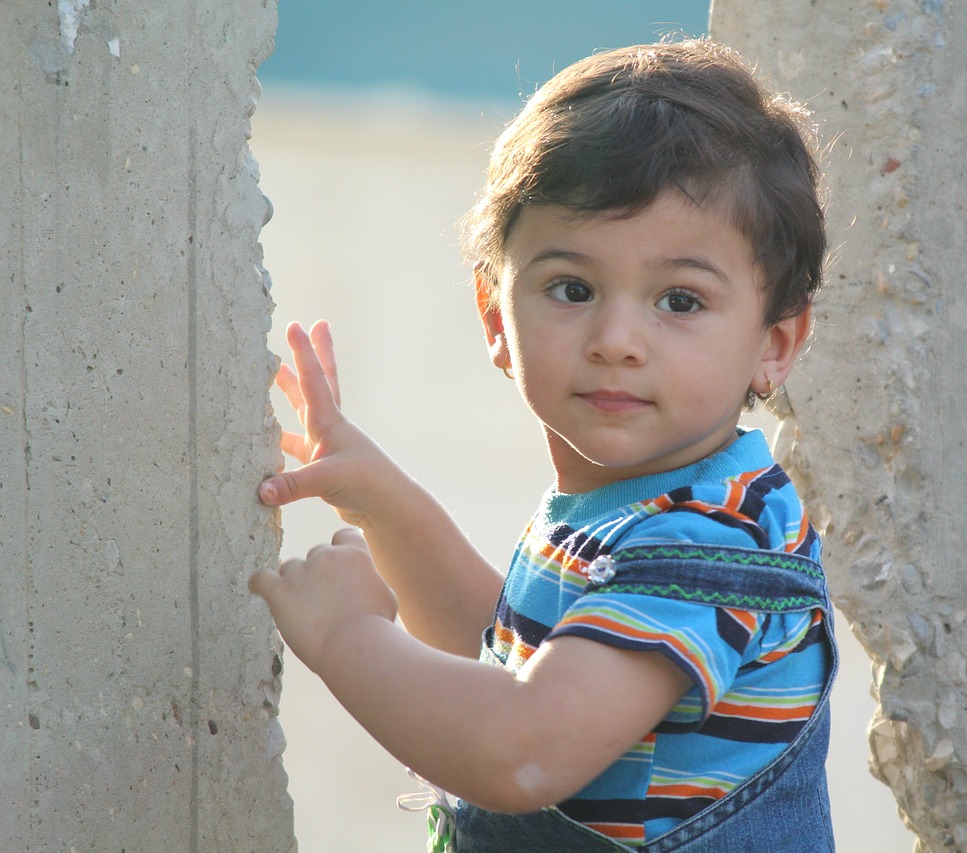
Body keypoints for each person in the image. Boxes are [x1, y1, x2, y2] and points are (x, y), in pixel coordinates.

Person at [250, 37, 837, 852]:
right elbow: (500, 648)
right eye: (573, 288)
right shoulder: (628, 507)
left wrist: (349, 637)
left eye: (679, 298)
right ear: (497, 317)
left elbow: (522, 750)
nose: (617, 337)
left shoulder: (709, 540)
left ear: (774, 342)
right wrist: (379, 500)